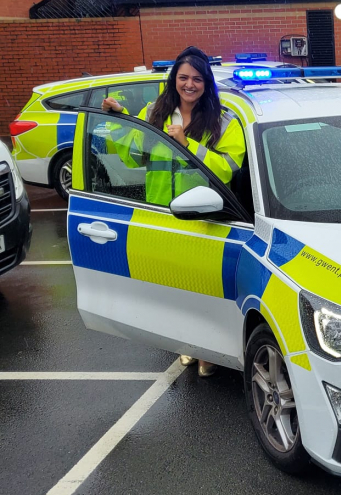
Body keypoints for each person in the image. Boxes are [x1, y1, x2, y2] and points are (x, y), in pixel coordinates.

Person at [103, 46, 246, 377]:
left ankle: (209, 352)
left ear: (207, 83)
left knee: (203, 289)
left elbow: (227, 168)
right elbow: (131, 156)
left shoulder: (224, 120)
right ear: (174, 80)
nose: (190, 84)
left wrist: (188, 144)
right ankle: (185, 344)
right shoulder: (155, 112)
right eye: (183, 77)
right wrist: (117, 121)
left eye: (197, 78)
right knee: (172, 288)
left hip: (204, 215)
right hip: (161, 214)